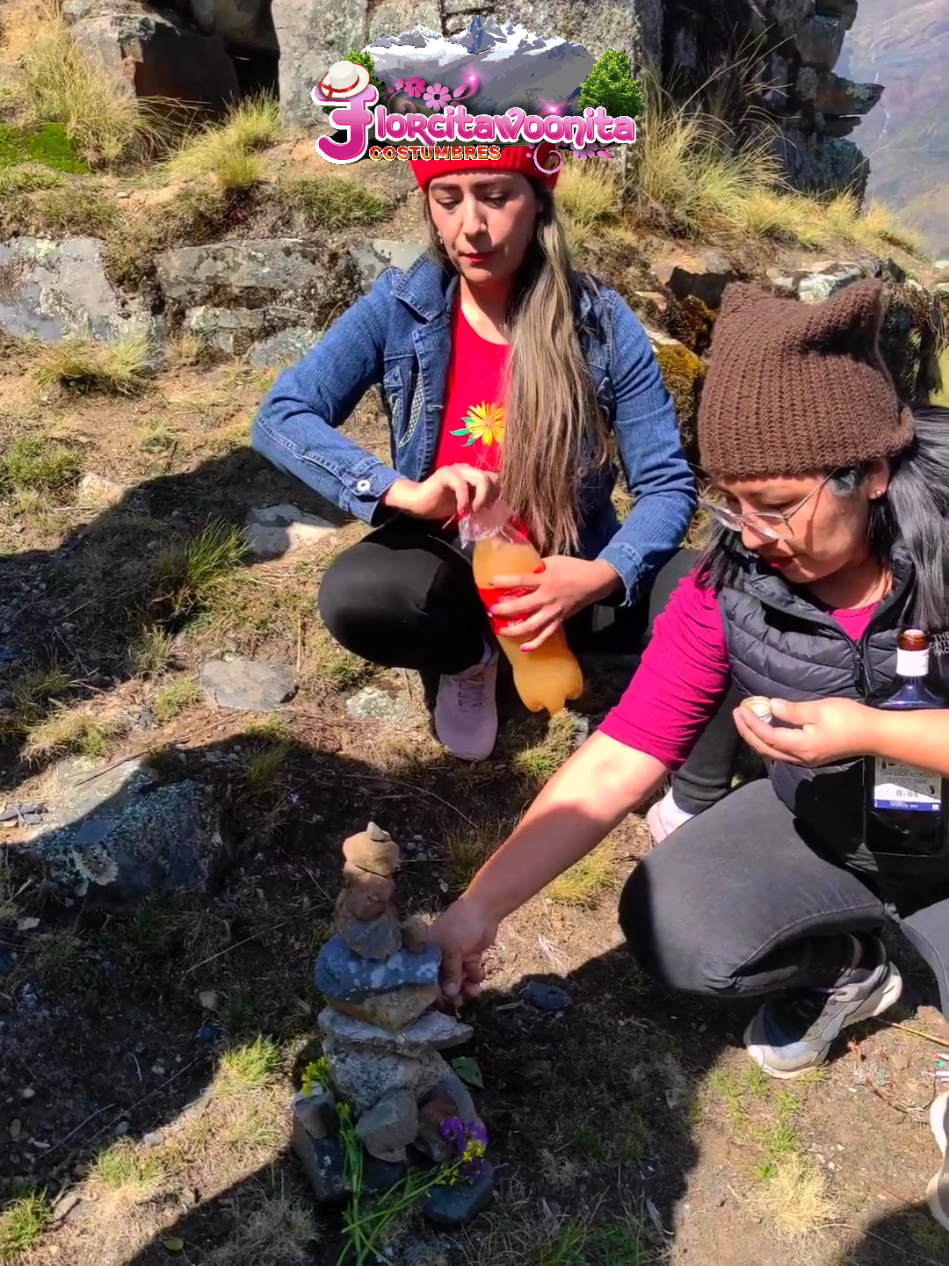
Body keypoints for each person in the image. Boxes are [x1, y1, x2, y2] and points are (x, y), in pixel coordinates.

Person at [429, 275, 949, 1081]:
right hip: (828, 827)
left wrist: (869, 730)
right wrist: (476, 909)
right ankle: (848, 965)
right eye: (733, 505)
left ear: (870, 472)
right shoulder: (732, 585)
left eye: (775, 505)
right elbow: (622, 753)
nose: (754, 535)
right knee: (677, 926)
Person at [250, 144, 697, 761]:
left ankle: (673, 760)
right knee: (359, 595)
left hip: (571, 571)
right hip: (456, 567)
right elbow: (282, 416)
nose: (471, 227)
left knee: (711, 591)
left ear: (538, 202)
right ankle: (471, 656)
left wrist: (602, 575)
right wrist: (400, 491)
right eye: (448, 198)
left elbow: (667, 485)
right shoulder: (399, 308)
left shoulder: (599, 321)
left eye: (495, 195)